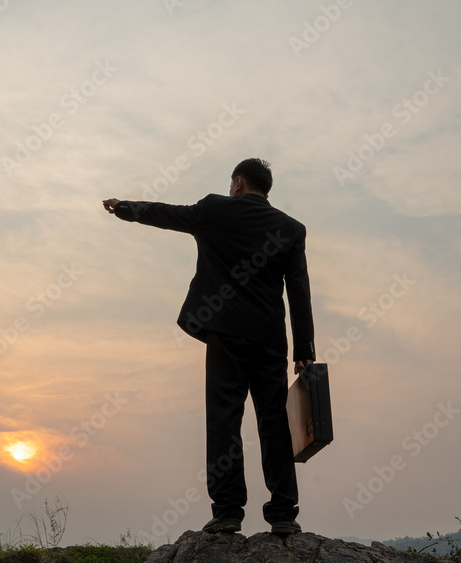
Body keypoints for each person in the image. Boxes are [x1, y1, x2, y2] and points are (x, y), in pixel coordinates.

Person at [102, 158, 315, 537]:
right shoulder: (291, 229)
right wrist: (304, 350)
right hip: (269, 339)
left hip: (225, 333)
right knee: (274, 422)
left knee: (224, 419)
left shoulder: (215, 210)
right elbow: (299, 290)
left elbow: (166, 214)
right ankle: (283, 513)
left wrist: (124, 208)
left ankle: (228, 511)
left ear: (238, 183)